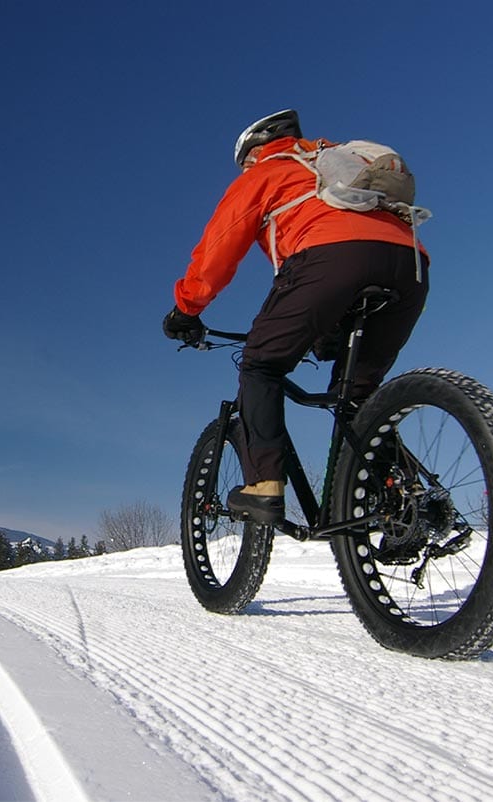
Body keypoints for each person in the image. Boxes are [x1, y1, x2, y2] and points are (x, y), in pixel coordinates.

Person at [163, 109, 430, 525]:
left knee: (260, 365)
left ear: (254, 153)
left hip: (330, 259)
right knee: (359, 399)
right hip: (410, 263)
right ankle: (405, 496)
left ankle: (264, 487)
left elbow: (217, 250)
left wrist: (186, 310)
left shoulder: (266, 173)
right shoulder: (337, 165)